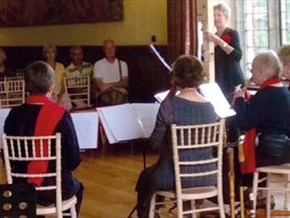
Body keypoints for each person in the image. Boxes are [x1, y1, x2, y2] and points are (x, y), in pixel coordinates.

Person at [135, 55, 218, 218]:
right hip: (207, 175)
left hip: (175, 176)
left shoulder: (169, 106)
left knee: (146, 176)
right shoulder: (210, 108)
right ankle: (186, 213)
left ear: (175, 77)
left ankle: (149, 213)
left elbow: (154, 143)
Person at [4, 61, 83, 214]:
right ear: (51, 86)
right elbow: (73, 160)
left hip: (22, 187)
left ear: (26, 86)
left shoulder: (14, 114)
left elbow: (11, 159)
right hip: (55, 187)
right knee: (78, 188)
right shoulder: (61, 114)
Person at [233, 50, 290, 170]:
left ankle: (243, 187)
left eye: (252, 69)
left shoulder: (265, 95)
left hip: (272, 153)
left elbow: (244, 123)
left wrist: (239, 100)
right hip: (285, 150)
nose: (251, 73)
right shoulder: (284, 91)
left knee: (234, 159)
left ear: (260, 72)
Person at [94, 39, 129, 106]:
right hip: (104, 96)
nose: (110, 51)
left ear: (115, 48)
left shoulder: (123, 64)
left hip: (120, 96)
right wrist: (115, 86)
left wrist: (110, 85)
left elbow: (125, 83)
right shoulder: (98, 64)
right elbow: (99, 85)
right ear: (104, 50)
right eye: (107, 48)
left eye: (112, 48)